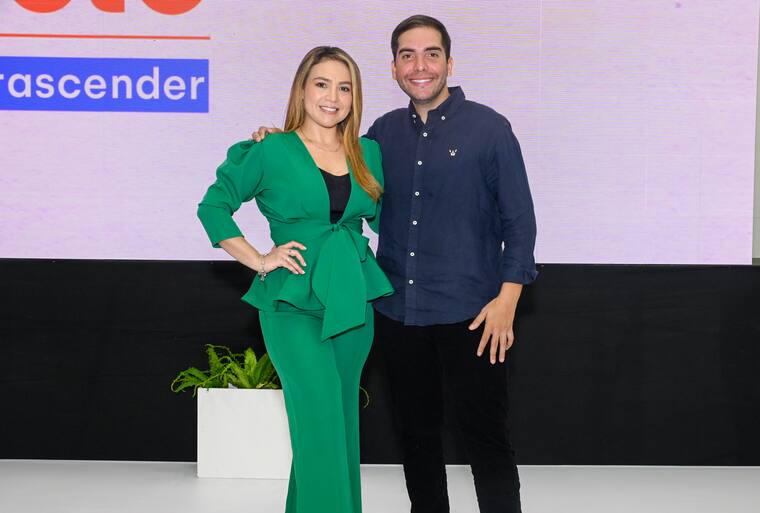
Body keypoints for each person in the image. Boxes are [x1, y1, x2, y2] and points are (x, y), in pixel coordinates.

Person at [252, 15, 537, 513]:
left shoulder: (490, 129)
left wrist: (508, 298)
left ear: (449, 63)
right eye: (408, 55)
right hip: (398, 311)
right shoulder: (378, 137)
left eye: (431, 54)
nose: (419, 65)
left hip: (475, 312)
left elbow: (520, 222)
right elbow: (327, 166)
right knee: (416, 437)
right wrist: (280, 142)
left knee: (486, 437)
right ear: (394, 68)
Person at [198, 46, 393, 513]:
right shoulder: (271, 149)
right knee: (319, 420)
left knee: (339, 426)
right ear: (302, 89)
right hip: (291, 304)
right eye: (322, 84)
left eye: (344, 87)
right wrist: (259, 259)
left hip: (352, 302)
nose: (333, 97)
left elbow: (390, 219)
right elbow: (213, 207)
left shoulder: (368, 153)